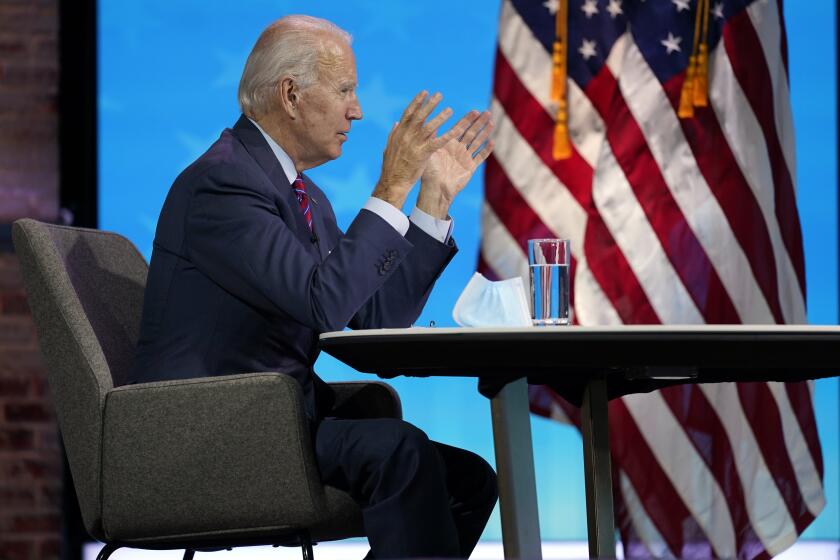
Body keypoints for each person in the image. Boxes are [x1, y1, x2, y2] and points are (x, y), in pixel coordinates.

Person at [130, 14, 497, 560]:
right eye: (345, 89)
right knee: (402, 452)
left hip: (276, 419)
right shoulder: (223, 184)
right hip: (213, 433)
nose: (358, 110)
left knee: (468, 480)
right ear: (291, 95)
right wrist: (391, 185)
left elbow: (372, 317)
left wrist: (432, 201)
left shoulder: (301, 193)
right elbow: (321, 302)